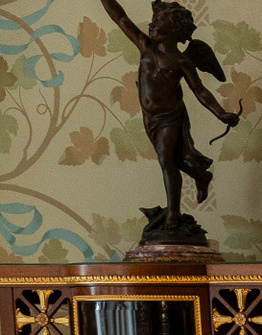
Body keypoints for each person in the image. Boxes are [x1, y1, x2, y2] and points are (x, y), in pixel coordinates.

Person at [97, 0, 240, 237]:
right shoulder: (145, 46)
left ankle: (173, 212)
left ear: (175, 28)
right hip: (149, 119)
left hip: (170, 117)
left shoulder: (182, 61)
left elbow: (200, 90)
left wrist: (221, 113)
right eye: (153, 20)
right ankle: (200, 175)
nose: (152, 25)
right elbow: (120, 17)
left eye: (158, 22)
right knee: (175, 160)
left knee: (166, 160)